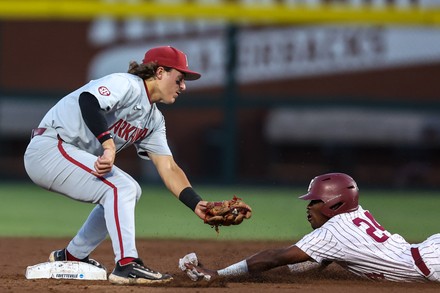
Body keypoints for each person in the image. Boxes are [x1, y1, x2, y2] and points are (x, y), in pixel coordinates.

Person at [24, 46, 210, 285]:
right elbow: (88, 100)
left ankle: (72, 256)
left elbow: (168, 167)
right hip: (50, 147)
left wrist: (196, 203)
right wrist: (109, 146)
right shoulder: (128, 84)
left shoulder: (153, 120)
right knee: (122, 187)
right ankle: (126, 264)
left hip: (68, 153)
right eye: (180, 78)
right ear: (160, 72)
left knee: (128, 191)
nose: (183, 86)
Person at [181, 173, 440, 283]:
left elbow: (274, 258)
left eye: (314, 201)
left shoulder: (334, 232)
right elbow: (310, 263)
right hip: (428, 253)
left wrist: (219, 274)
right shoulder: (355, 214)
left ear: (333, 203)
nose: (308, 207)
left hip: (432, 261)